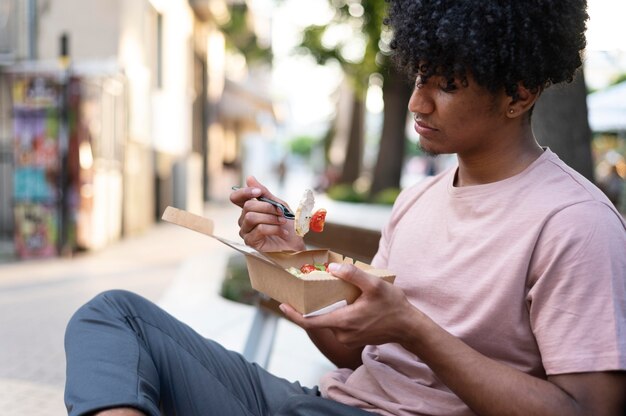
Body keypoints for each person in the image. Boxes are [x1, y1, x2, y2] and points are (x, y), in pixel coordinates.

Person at [64, 1, 626, 415]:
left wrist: (415, 328)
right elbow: (354, 353)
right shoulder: (418, 201)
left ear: (519, 92)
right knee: (114, 315)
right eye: (418, 77)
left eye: (446, 85)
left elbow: (589, 411)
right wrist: (289, 259)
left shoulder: (575, 223)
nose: (416, 102)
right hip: (329, 403)